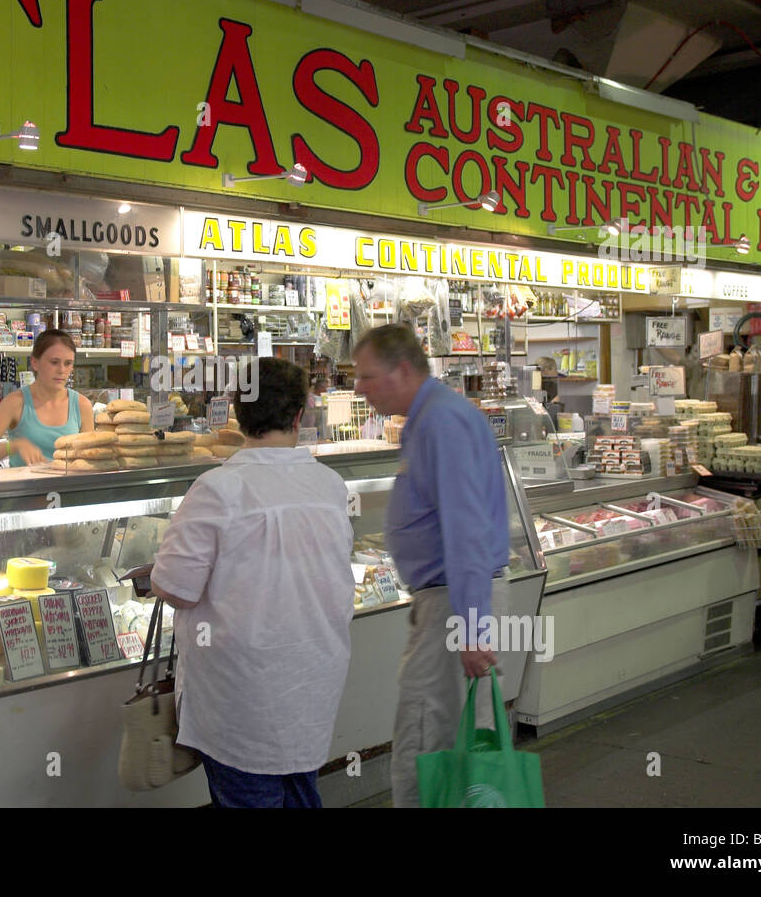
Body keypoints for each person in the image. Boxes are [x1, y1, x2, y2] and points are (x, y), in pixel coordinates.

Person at [150, 357, 354, 807]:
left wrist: (153, 574)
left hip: (241, 697)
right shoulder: (330, 485)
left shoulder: (218, 488)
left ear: (238, 414)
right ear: (300, 415)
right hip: (312, 681)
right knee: (300, 790)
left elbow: (175, 588)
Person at [352, 324, 510, 808]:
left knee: (425, 739)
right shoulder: (429, 417)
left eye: (366, 377)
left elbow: (465, 530)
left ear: (403, 370)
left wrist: (471, 628)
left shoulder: (440, 422)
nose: (358, 388)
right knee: (442, 738)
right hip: (448, 601)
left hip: (451, 603)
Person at [0, 329, 94, 466]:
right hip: (25, 487)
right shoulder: (16, 402)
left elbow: (90, 458)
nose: (62, 370)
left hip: (70, 487)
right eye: (54, 362)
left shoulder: (81, 405)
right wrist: (14, 446)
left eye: (68, 363)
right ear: (34, 363)